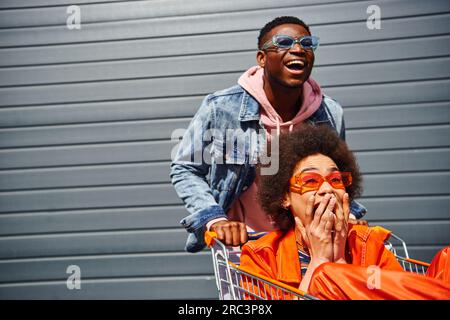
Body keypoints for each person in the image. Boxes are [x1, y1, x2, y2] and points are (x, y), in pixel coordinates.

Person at [170, 16, 367, 253]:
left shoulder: (329, 113)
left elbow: (337, 178)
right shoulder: (221, 108)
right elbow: (185, 168)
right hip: (245, 246)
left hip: (308, 246)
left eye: (307, 43)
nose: (298, 49)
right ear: (262, 58)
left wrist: (349, 214)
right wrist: (216, 219)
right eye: (283, 42)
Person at [240, 124, 450, 299]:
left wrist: (341, 261)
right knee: (327, 275)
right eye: (311, 181)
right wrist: (320, 262)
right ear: (285, 197)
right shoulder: (261, 257)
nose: (327, 189)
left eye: (336, 180)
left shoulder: (367, 244)